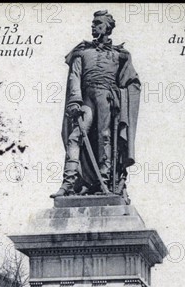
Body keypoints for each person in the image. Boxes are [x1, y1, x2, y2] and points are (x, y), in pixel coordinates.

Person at [50, 10, 141, 200]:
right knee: (75, 136)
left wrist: (122, 99)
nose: (94, 26)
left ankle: (105, 182)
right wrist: (75, 101)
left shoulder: (121, 55)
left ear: (108, 27)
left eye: (98, 23)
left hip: (107, 98)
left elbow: (131, 82)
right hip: (87, 99)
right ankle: (68, 184)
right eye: (93, 23)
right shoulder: (82, 52)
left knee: (105, 137)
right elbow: (75, 76)